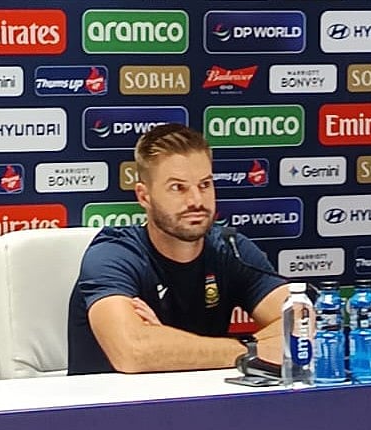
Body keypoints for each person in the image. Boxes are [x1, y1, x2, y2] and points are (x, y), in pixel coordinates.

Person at [67, 123, 288, 374]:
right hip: (110, 409)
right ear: (144, 196)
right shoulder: (113, 255)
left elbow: (302, 321)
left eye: (204, 185)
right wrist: (251, 350)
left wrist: (167, 343)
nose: (196, 200)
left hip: (203, 405)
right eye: (177, 188)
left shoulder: (231, 249)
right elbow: (134, 352)